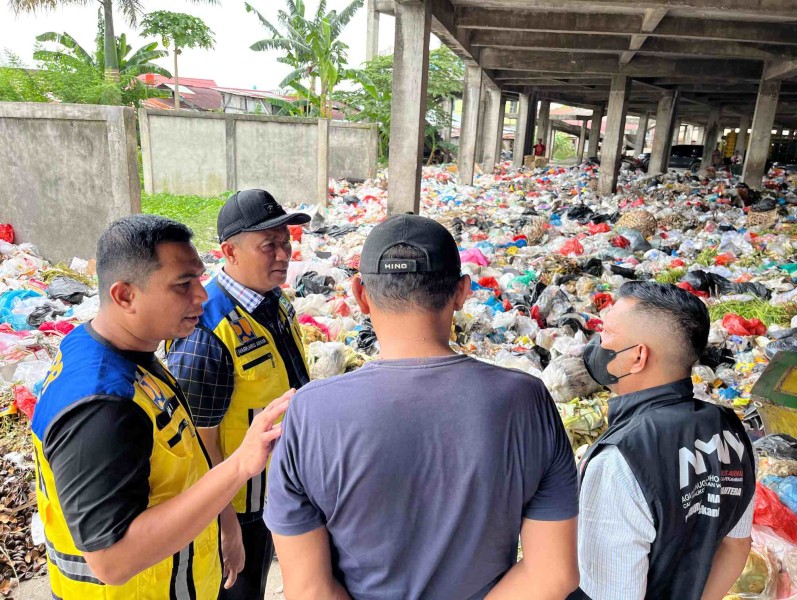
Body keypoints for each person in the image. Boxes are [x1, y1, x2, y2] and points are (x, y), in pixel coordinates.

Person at [266, 214, 580, 599]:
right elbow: (553, 574)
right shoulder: (527, 401)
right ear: (462, 292)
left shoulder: (310, 413)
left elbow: (308, 589)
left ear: (359, 294)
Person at [31, 215, 290, 599]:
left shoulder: (127, 353)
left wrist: (224, 519)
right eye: (183, 284)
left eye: (198, 278)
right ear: (125, 296)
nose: (201, 296)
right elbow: (112, 561)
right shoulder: (101, 406)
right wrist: (239, 466)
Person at [166, 189, 311, 600]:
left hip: (279, 488)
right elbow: (198, 444)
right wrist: (225, 523)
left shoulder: (272, 299)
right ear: (229, 251)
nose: (283, 255)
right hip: (240, 506)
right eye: (269, 246)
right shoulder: (206, 332)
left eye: (285, 242)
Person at [570, 282, 756, 600]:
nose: (597, 343)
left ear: (638, 356)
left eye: (607, 334)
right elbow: (736, 545)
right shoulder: (730, 428)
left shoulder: (619, 461)